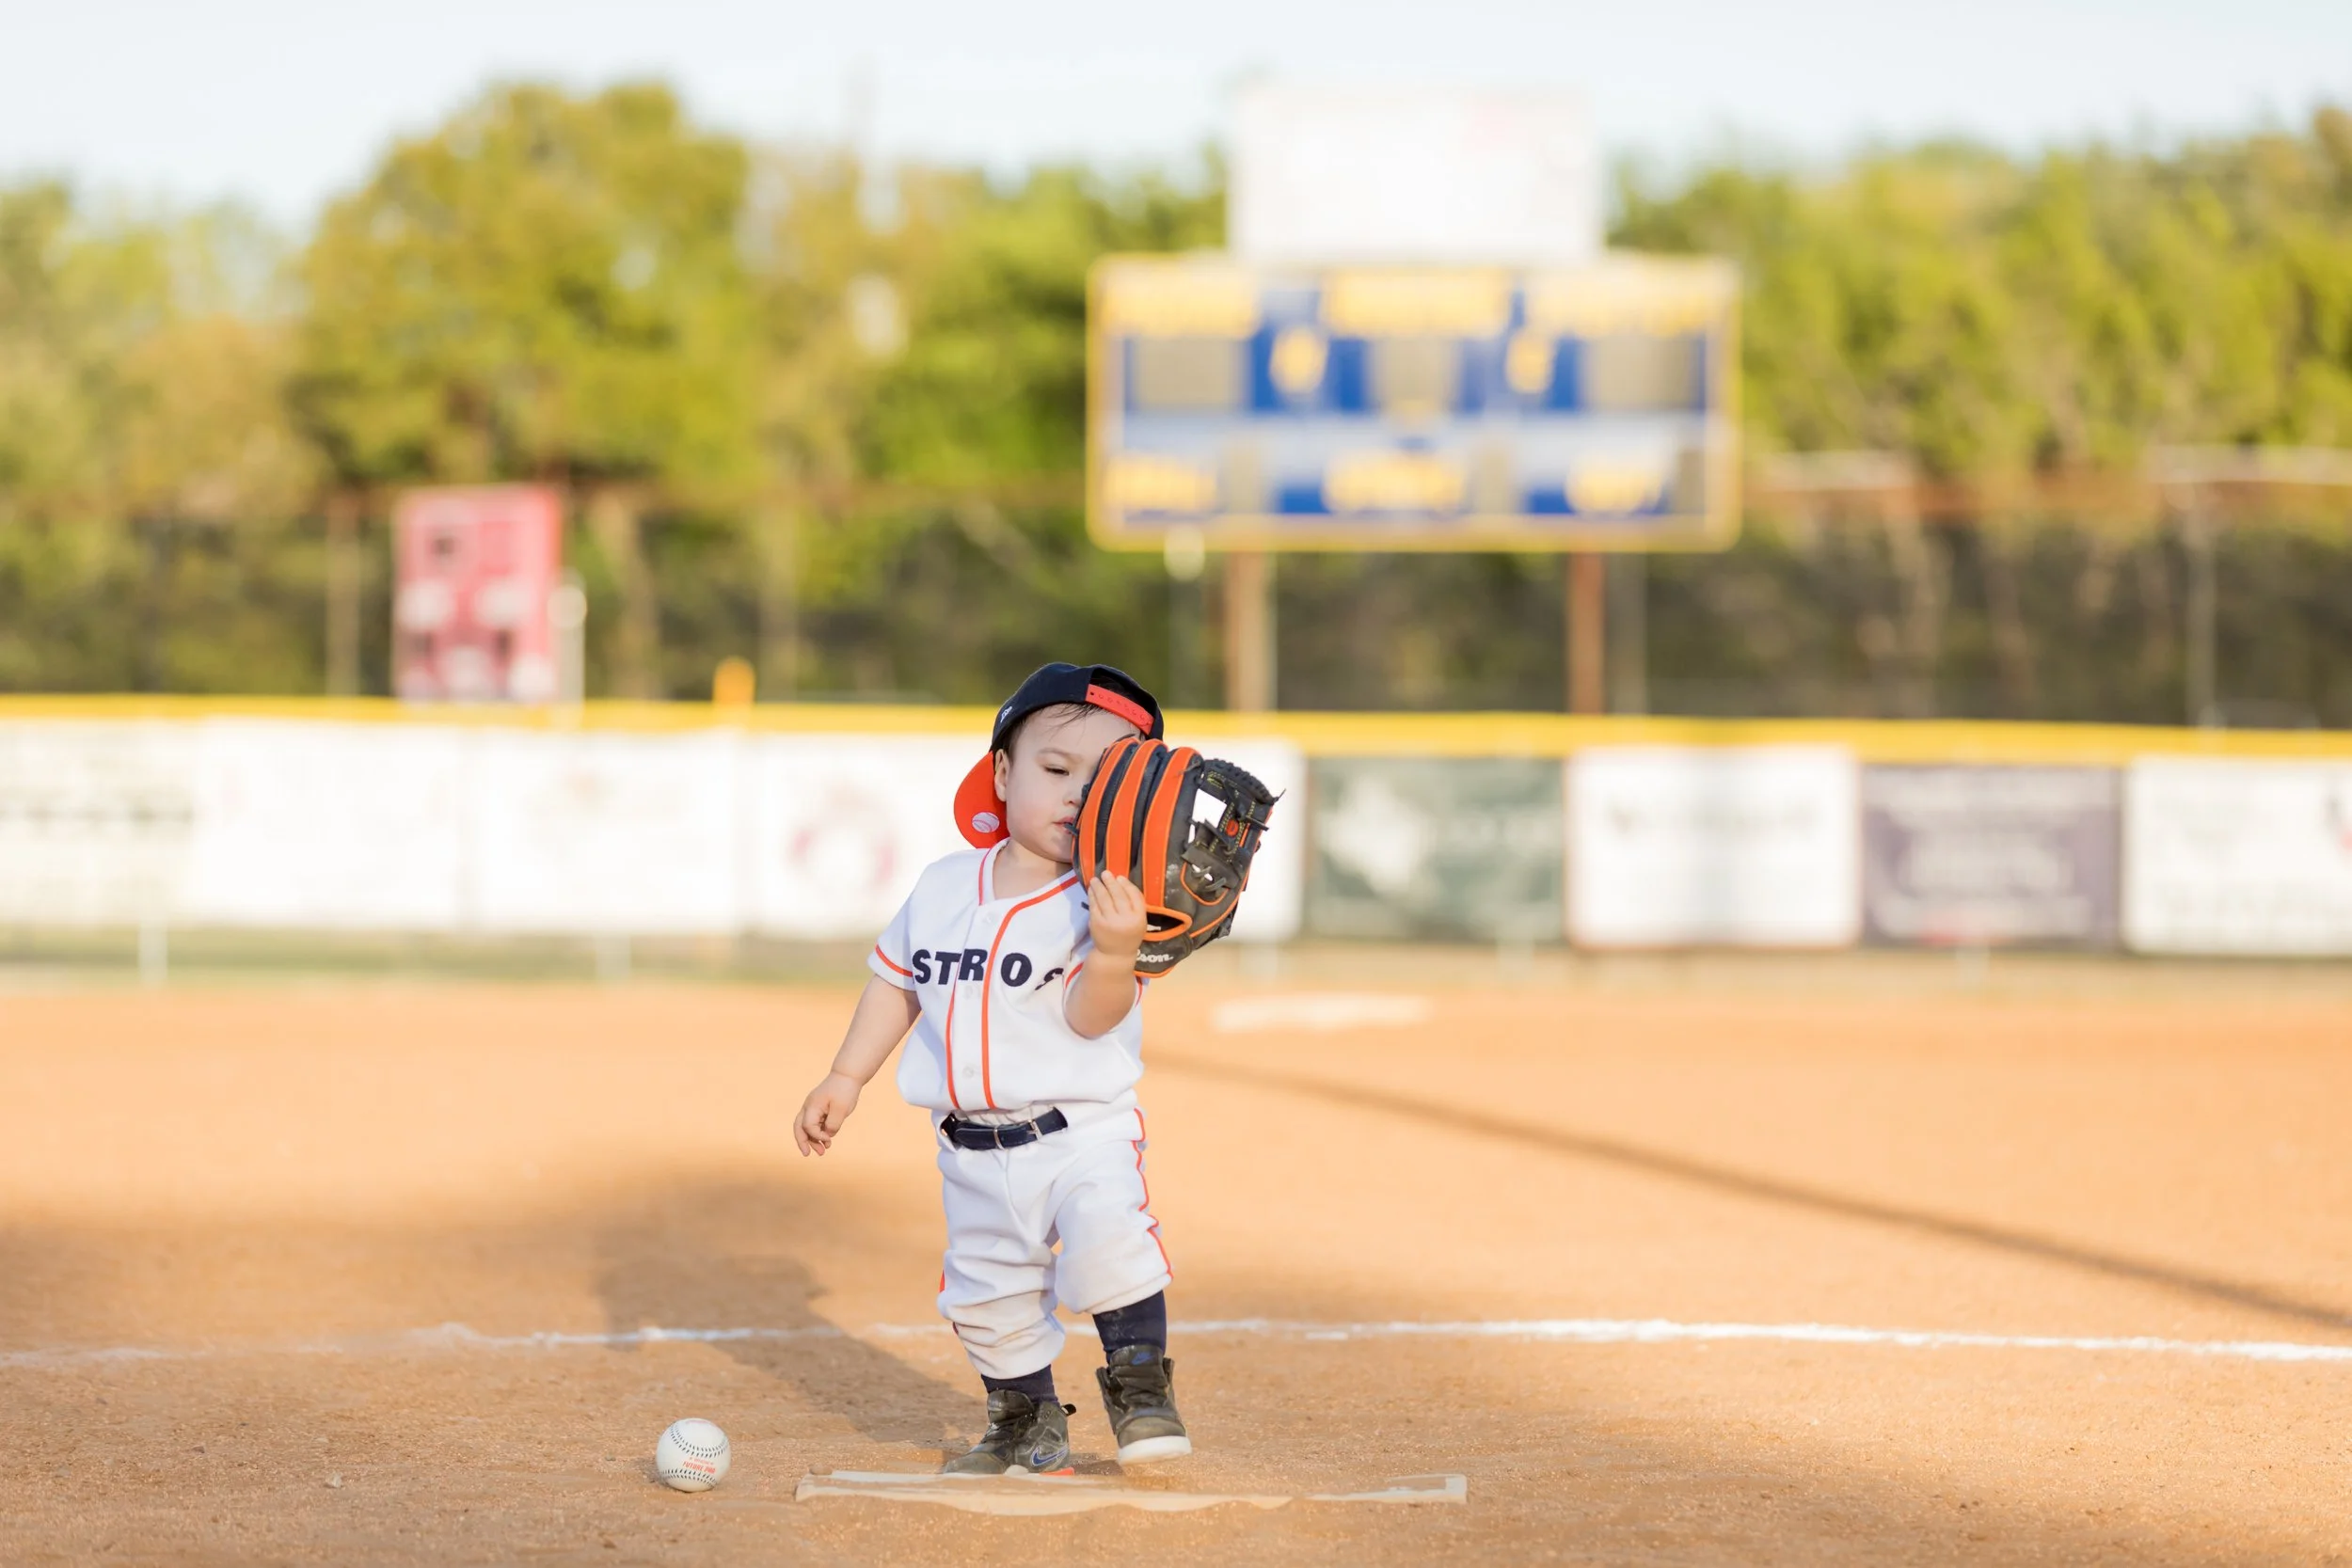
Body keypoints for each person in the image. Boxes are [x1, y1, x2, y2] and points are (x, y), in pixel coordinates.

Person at [793, 662, 1189, 1476]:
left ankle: (1141, 1385)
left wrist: (1118, 950)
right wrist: (846, 1075)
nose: (1079, 795)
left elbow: (1092, 1016)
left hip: (1080, 1129)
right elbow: (895, 982)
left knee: (1109, 1241)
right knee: (984, 1297)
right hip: (970, 1146)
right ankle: (1024, 1419)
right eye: (1055, 769)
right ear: (1002, 774)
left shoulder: (1107, 899)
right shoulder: (942, 886)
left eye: (1105, 779)